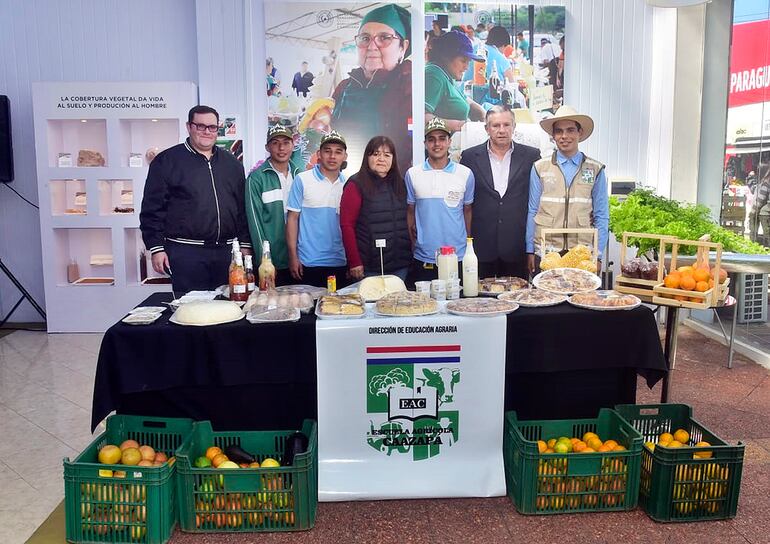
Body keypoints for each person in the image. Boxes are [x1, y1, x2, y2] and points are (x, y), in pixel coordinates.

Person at [140, 105, 251, 294]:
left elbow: (241, 209)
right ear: (188, 127)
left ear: (218, 129)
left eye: (212, 127)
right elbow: (152, 210)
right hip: (185, 254)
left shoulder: (232, 164)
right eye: (200, 126)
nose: (206, 131)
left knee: (228, 311)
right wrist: (156, 248)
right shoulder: (167, 161)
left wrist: (245, 245)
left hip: (227, 254)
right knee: (190, 313)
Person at [526, 105, 608, 274]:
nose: (564, 136)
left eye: (570, 130)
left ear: (580, 133)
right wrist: (530, 250)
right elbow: (532, 211)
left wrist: (598, 255)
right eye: (559, 131)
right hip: (547, 251)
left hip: (582, 252)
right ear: (553, 136)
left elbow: (602, 215)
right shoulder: (539, 168)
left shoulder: (595, 169)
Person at [461, 106, 540, 279]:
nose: (502, 130)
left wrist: (530, 248)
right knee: (479, 303)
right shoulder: (468, 157)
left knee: (517, 299)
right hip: (481, 248)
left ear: (514, 126)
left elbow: (535, 202)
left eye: (506, 124)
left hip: (516, 247)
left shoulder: (531, 156)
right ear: (486, 129)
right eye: (496, 125)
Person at [332, 4, 412, 174]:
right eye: (365, 38)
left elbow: (416, 136)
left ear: (403, 47)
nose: (372, 46)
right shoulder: (344, 87)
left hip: (393, 184)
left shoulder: (411, 87)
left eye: (384, 38)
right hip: (346, 179)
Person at [405, 118, 475, 286]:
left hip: (457, 256)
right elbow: (410, 212)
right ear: (425, 143)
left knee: (457, 306)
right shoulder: (413, 174)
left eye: (442, 138)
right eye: (431, 139)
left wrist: (466, 245)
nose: (437, 144)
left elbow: (467, 211)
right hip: (424, 257)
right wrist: (415, 245)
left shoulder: (465, 174)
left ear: (449, 142)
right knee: (424, 307)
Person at [340, 136, 411, 281]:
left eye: (387, 155)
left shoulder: (401, 184)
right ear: (367, 157)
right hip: (369, 267)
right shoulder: (356, 184)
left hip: (400, 266)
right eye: (376, 154)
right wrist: (354, 262)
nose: (381, 159)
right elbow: (347, 225)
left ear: (393, 159)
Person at [286, 131, 349, 287]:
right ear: (319, 154)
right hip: (308, 263)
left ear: (345, 156)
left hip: (340, 263)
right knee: (309, 309)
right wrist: (293, 256)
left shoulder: (348, 185)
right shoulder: (302, 179)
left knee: (338, 309)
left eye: (338, 152)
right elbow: (292, 219)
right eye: (327, 151)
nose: (332, 156)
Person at [245, 125, 301, 286]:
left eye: (286, 142)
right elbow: (254, 224)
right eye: (275, 143)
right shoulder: (256, 179)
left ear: (293, 145)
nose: (281, 148)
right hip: (272, 262)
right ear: (267, 147)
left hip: (300, 260)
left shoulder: (301, 175)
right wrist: (265, 262)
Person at [425, 30, 486, 132]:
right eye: (463, 61)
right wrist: (457, 126)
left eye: (468, 62)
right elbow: (421, 118)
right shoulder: (434, 75)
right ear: (446, 57)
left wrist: (478, 109)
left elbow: (461, 98)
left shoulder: (447, 75)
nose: (466, 67)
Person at [481, 26, 515, 105]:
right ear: (503, 45)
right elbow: (512, 85)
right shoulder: (501, 59)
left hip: (470, 101)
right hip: (493, 106)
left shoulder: (475, 48)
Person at [749, 171, 770, 244]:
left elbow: (761, 199)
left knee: (756, 231)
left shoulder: (766, 183)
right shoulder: (764, 182)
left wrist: (753, 211)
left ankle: (754, 244)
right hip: (761, 209)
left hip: (760, 210)